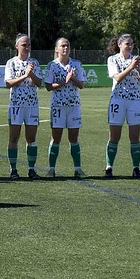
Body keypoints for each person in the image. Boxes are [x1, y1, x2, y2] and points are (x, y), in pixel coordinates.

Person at [104, 33, 140, 179]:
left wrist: (138, 68)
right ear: (120, 45)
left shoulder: (137, 60)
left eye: (132, 44)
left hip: (135, 100)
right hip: (118, 100)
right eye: (127, 43)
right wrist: (131, 67)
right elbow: (118, 77)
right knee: (114, 136)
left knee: (135, 136)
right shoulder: (113, 59)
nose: (130, 46)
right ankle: (109, 167)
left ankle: (136, 168)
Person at [42, 37, 86, 178]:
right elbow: (48, 86)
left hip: (73, 106)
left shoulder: (76, 64)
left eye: (67, 46)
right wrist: (64, 81)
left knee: (74, 138)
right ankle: (51, 169)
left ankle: (78, 169)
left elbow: (81, 85)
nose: (65, 48)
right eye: (62, 46)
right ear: (56, 49)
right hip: (58, 106)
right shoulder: (52, 65)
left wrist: (72, 78)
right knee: (56, 138)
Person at [4, 34, 41, 178]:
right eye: (24, 45)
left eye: (29, 45)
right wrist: (25, 75)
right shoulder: (11, 63)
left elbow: (39, 83)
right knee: (14, 138)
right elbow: (8, 83)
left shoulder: (34, 63)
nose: (27, 47)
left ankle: (32, 170)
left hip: (32, 105)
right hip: (16, 105)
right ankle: (13, 170)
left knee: (31, 138)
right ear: (17, 46)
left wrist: (31, 74)